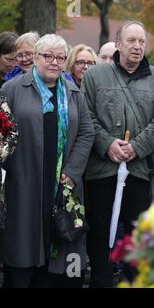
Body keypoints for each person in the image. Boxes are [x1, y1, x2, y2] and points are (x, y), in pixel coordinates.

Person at [81, 20, 154, 288]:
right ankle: (101, 281)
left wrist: (137, 147)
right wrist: (107, 143)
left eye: (141, 41)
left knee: (136, 236)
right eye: (131, 40)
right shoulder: (95, 76)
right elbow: (86, 115)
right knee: (99, 233)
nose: (137, 46)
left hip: (139, 171)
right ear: (118, 44)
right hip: (101, 169)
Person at [0, 34, 95, 288]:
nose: (54, 62)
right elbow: (3, 133)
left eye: (60, 57)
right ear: (36, 57)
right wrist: (10, 165)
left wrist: (73, 170)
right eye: (48, 56)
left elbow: (87, 132)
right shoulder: (13, 89)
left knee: (61, 251)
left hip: (63, 185)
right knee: (23, 249)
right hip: (25, 181)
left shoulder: (74, 92)